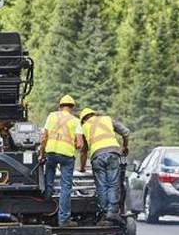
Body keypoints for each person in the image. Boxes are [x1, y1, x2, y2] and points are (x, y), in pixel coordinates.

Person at [79, 108, 131, 226]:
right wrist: (125, 147)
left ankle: (104, 212)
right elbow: (126, 132)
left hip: (97, 156)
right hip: (113, 153)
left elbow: (83, 151)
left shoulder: (84, 127)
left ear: (83, 120)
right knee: (113, 184)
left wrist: (82, 168)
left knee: (101, 186)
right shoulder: (107, 119)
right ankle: (112, 212)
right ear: (94, 114)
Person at [39, 94, 83, 227]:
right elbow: (80, 144)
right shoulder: (76, 121)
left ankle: (46, 204)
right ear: (72, 108)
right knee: (65, 188)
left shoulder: (51, 116)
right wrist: (73, 144)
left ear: (60, 106)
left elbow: (44, 137)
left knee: (49, 178)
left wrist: (42, 154)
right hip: (67, 156)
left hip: (51, 152)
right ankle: (64, 220)